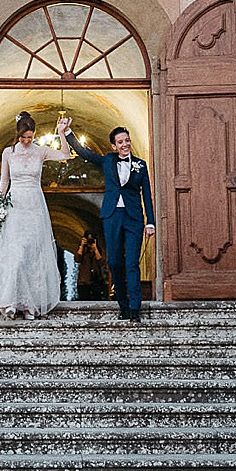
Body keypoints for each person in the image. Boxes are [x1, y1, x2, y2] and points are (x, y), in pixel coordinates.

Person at [60, 118, 155, 321]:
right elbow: (85, 153)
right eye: (120, 142)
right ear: (114, 145)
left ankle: (135, 309)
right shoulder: (108, 160)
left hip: (134, 218)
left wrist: (150, 222)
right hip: (112, 216)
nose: (125, 144)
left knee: (131, 263)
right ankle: (123, 306)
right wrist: (68, 133)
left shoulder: (140, 165)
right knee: (114, 262)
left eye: (127, 140)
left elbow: (146, 194)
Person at [0, 111, 69, 319]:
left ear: (34, 135)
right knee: (15, 253)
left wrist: (62, 133)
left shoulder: (40, 151)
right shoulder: (9, 152)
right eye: (23, 137)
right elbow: (4, 181)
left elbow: (65, 155)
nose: (26, 141)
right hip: (15, 205)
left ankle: (30, 305)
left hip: (34, 205)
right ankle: (11, 300)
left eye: (30, 137)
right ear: (18, 135)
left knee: (34, 254)